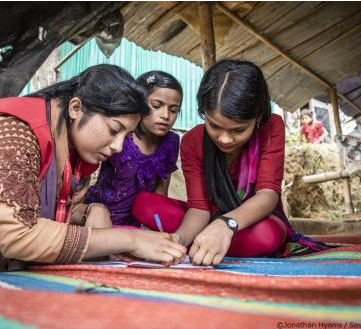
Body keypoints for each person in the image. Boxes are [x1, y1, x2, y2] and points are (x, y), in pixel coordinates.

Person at [0, 64, 186, 273]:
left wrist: (94, 209)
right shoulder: (17, 134)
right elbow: (18, 235)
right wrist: (129, 240)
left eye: (125, 137)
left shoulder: (73, 154)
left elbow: (43, 211)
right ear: (75, 108)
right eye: (113, 130)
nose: (117, 146)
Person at [132, 60, 326, 265]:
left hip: (254, 221)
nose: (224, 139)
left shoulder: (271, 128)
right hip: (207, 219)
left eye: (238, 130)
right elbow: (199, 209)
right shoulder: (192, 141)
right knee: (145, 204)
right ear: (203, 113)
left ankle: (206, 243)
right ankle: (204, 243)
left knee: (266, 235)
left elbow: (267, 195)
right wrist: (177, 242)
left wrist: (226, 225)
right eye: (214, 126)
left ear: (257, 117)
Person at [85, 71, 184, 228]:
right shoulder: (120, 136)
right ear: (140, 103)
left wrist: (156, 229)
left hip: (138, 224)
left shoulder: (171, 142)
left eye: (173, 110)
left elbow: (160, 193)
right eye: (156, 106)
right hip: (100, 218)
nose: (165, 115)